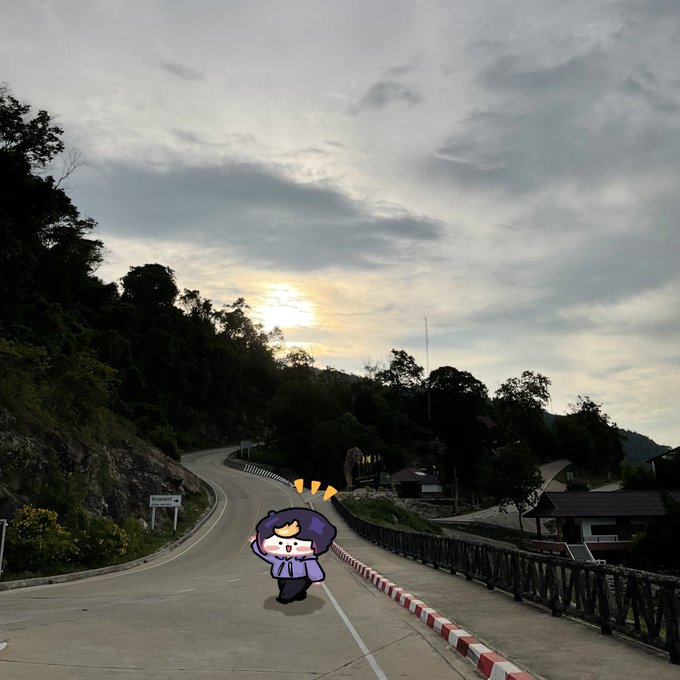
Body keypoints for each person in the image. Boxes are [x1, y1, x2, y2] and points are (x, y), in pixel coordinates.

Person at [249, 507, 337, 604]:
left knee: (285, 596)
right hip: (282, 577)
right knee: (288, 590)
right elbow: (265, 555)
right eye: (280, 543)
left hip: (300, 578)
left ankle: (286, 597)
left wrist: (317, 578)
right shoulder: (279, 558)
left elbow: (312, 567)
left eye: (295, 543)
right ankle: (300, 594)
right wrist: (255, 544)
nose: (288, 547)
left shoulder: (305, 559)